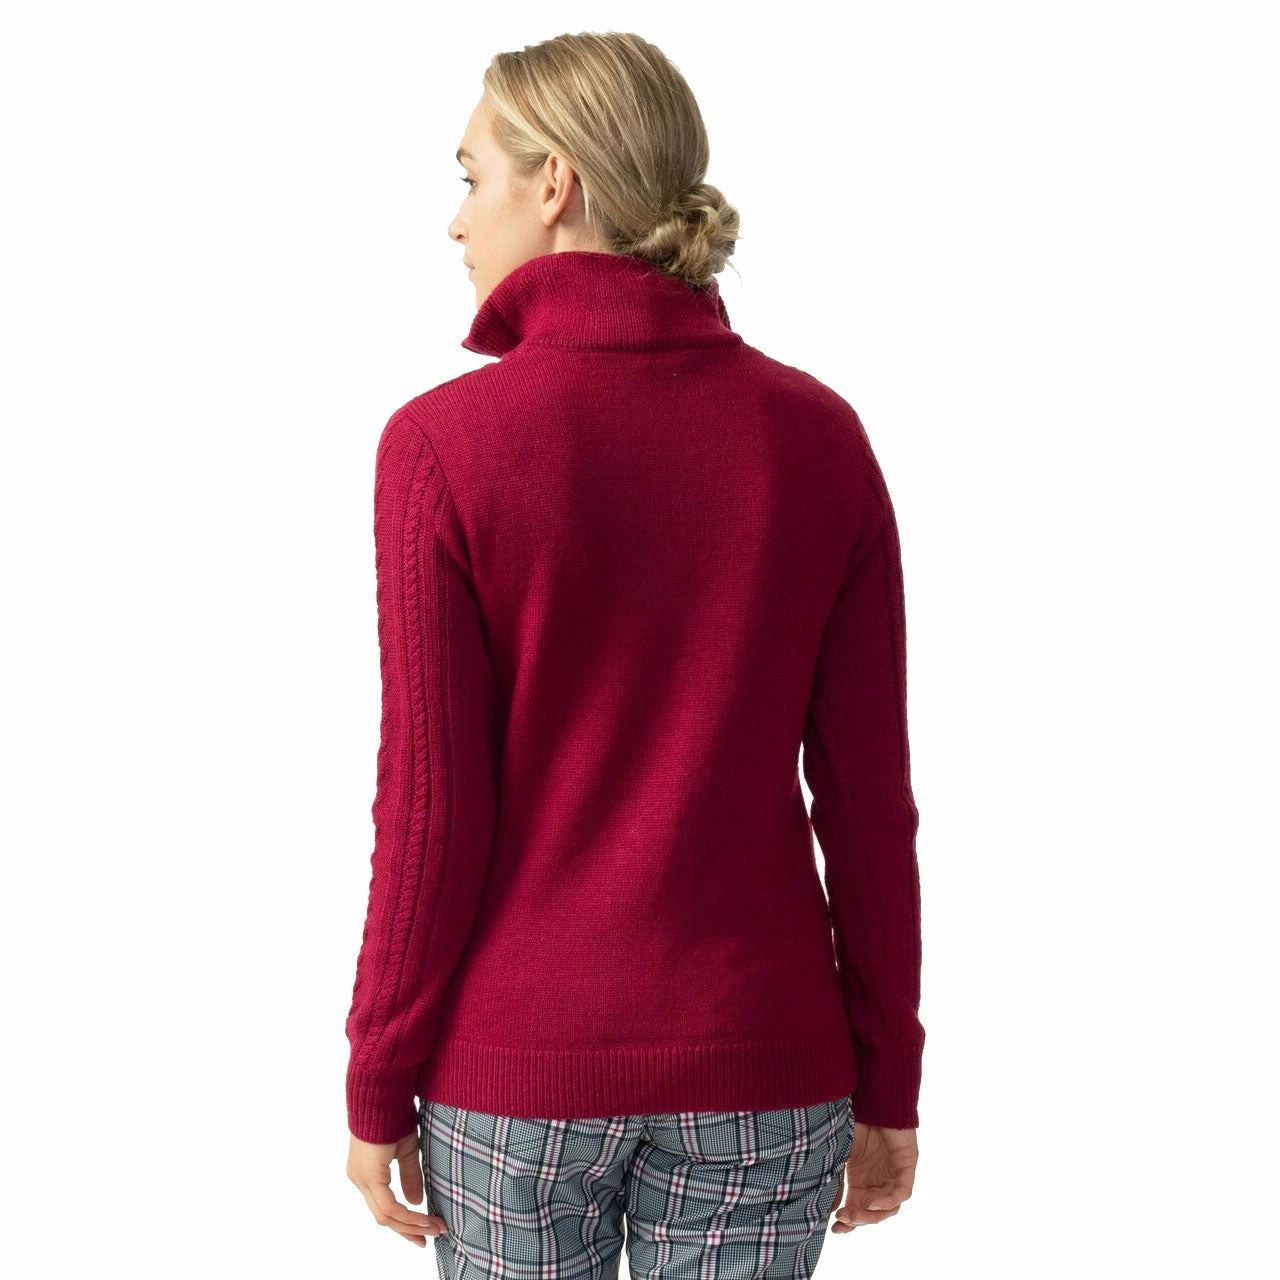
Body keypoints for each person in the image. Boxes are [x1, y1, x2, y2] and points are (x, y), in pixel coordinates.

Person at [344, 31, 924, 1276]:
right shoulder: (816, 436)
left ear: (553, 183)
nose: (456, 222)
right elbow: (868, 806)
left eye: (470, 177)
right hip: (762, 1062)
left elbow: (431, 811)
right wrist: (889, 1076)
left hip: (514, 1078)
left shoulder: (442, 447)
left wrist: (377, 1074)